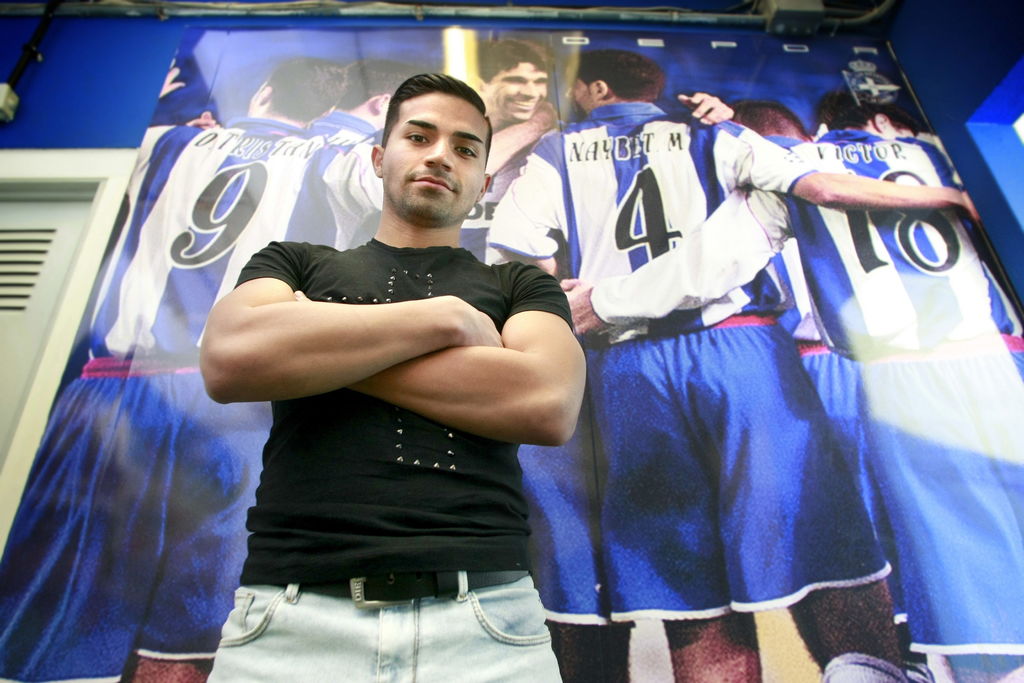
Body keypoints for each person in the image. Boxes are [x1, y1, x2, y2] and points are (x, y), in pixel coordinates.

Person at [488, 49, 978, 683]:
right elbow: (821, 185)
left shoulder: (556, 152)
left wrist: (571, 294)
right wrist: (953, 195)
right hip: (741, 350)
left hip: (627, 366)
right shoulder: (717, 133)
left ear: (591, 89)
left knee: (691, 589)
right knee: (828, 547)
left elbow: (513, 252)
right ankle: (874, 669)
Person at [200, 73, 586, 681]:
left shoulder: (520, 285)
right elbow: (229, 359)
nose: (441, 155)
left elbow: (547, 402)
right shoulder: (294, 260)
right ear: (380, 159)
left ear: (484, 183)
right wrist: (447, 319)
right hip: (292, 622)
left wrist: (311, 343)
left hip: (485, 622)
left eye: (465, 149)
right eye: (419, 137)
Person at [0, 57, 374, 683]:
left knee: (61, 595)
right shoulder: (334, 162)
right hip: (239, 405)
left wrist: (167, 100)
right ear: (321, 111)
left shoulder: (167, 143)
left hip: (117, 392)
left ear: (263, 92)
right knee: (198, 615)